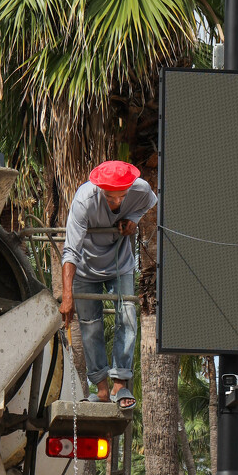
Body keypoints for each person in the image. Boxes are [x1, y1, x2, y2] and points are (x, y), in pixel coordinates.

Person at [59, 160, 157, 406]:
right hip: (85, 268)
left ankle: (120, 386)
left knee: (127, 318)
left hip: (120, 264)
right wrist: (67, 295)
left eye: (122, 197)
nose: (118, 203)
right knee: (91, 326)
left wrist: (132, 217)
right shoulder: (84, 201)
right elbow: (70, 251)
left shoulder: (141, 189)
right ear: (100, 190)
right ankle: (101, 389)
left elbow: (148, 203)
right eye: (112, 199)